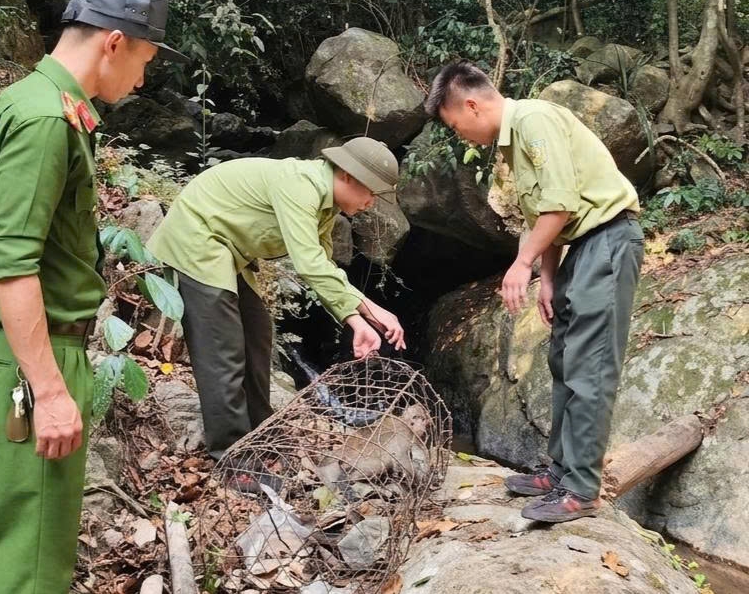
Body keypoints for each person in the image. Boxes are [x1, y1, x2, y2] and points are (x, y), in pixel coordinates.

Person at [0, 0, 187, 594]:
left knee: (32, 549)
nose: (142, 82)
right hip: (33, 362)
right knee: (29, 565)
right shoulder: (43, 121)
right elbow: (11, 266)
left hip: (34, 354)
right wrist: (49, 389)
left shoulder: (45, 103)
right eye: (144, 61)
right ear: (114, 42)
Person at [424, 61, 644, 523]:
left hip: (607, 241)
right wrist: (548, 277)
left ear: (470, 104)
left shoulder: (534, 120)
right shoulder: (512, 143)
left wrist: (522, 264)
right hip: (580, 249)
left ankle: (582, 489)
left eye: (454, 124)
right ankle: (560, 472)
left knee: (590, 366)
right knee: (564, 359)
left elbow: (560, 203)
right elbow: (542, 214)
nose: (459, 134)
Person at [146, 138, 408, 486]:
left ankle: (262, 434)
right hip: (198, 239)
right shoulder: (300, 186)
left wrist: (360, 318)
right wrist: (368, 313)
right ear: (347, 175)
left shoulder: (326, 206)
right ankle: (233, 460)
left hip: (231, 253)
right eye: (370, 192)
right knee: (223, 352)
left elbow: (324, 267)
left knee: (257, 336)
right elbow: (309, 264)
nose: (371, 202)